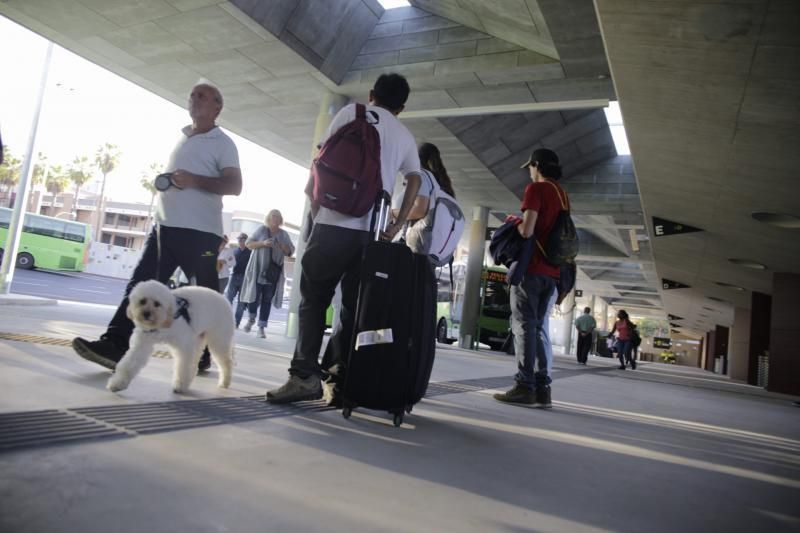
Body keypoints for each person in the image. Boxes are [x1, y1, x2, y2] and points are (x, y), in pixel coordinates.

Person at [266, 73, 422, 405]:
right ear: (403, 107)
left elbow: (320, 161)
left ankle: (305, 376)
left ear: (372, 94)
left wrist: (315, 212)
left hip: (332, 224)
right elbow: (415, 180)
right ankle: (339, 382)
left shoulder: (352, 113)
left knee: (313, 301)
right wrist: (396, 226)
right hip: (370, 235)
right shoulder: (405, 135)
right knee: (353, 309)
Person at [72, 82, 242, 373]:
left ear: (217, 107)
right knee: (140, 285)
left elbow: (235, 185)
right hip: (164, 228)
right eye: (192, 95)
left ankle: (202, 353)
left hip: (201, 233)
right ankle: (114, 343)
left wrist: (194, 180)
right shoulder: (183, 137)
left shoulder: (223, 142)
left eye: (202, 96)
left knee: (205, 297)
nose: (194, 99)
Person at [493, 148, 569, 409]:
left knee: (524, 327)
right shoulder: (562, 194)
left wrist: (514, 223)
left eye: (530, 167)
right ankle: (542, 389)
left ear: (537, 165)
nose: (529, 171)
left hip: (532, 269)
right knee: (537, 328)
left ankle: (524, 387)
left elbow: (527, 231)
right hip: (552, 272)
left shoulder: (536, 190)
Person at [239, 210, 294, 339]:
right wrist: (263, 243)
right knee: (253, 297)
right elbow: (248, 244)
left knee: (267, 300)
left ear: (280, 220)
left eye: (277, 217)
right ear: (268, 218)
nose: (275, 218)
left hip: (272, 273)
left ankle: (261, 327)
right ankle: (251, 319)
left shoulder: (284, 234)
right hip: (258, 270)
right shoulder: (262, 230)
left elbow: (290, 251)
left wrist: (282, 246)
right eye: (273, 216)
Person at [225, 233, 251, 327]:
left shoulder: (251, 252)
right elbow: (230, 262)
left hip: (245, 278)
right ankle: (226, 320)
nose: (239, 241)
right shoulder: (234, 251)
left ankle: (236, 322)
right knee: (228, 299)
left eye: (241, 239)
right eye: (239, 239)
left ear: (246, 240)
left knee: (241, 302)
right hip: (234, 275)